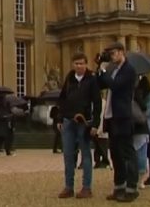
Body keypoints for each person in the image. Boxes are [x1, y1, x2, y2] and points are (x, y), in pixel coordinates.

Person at [97, 42, 139, 202]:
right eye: (110, 54)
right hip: (112, 117)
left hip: (123, 117)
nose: (112, 56)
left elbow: (115, 85)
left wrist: (103, 70)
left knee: (127, 153)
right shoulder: (114, 70)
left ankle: (132, 189)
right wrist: (99, 68)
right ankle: (119, 187)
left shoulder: (129, 70)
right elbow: (101, 84)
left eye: (113, 53)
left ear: (122, 52)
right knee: (116, 154)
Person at [56, 53, 101, 199]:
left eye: (81, 63)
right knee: (68, 155)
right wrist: (59, 118)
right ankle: (69, 187)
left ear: (86, 64)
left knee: (86, 155)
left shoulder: (92, 79)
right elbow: (62, 99)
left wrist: (95, 123)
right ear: (72, 64)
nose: (79, 66)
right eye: (76, 63)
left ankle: (86, 187)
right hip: (68, 120)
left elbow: (97, 103)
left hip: (84, 121)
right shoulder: (69, 78)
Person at [93, 96, 111, 169]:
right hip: (100, 129)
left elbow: (101, 117)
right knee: (99, 147)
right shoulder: (104, 103)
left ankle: (103, 161)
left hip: (101, 129)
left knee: (101, 147)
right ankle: (100, 162)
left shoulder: (102, 103)